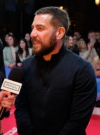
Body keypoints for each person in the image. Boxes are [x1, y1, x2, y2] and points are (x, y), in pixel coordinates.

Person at [15, 6, 97, 135]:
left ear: (59, 32)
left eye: (40, 28)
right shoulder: (24, 67)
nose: (32, 34)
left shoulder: (82, 70)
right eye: (32, 28)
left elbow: (77, 122)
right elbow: (20, 108)